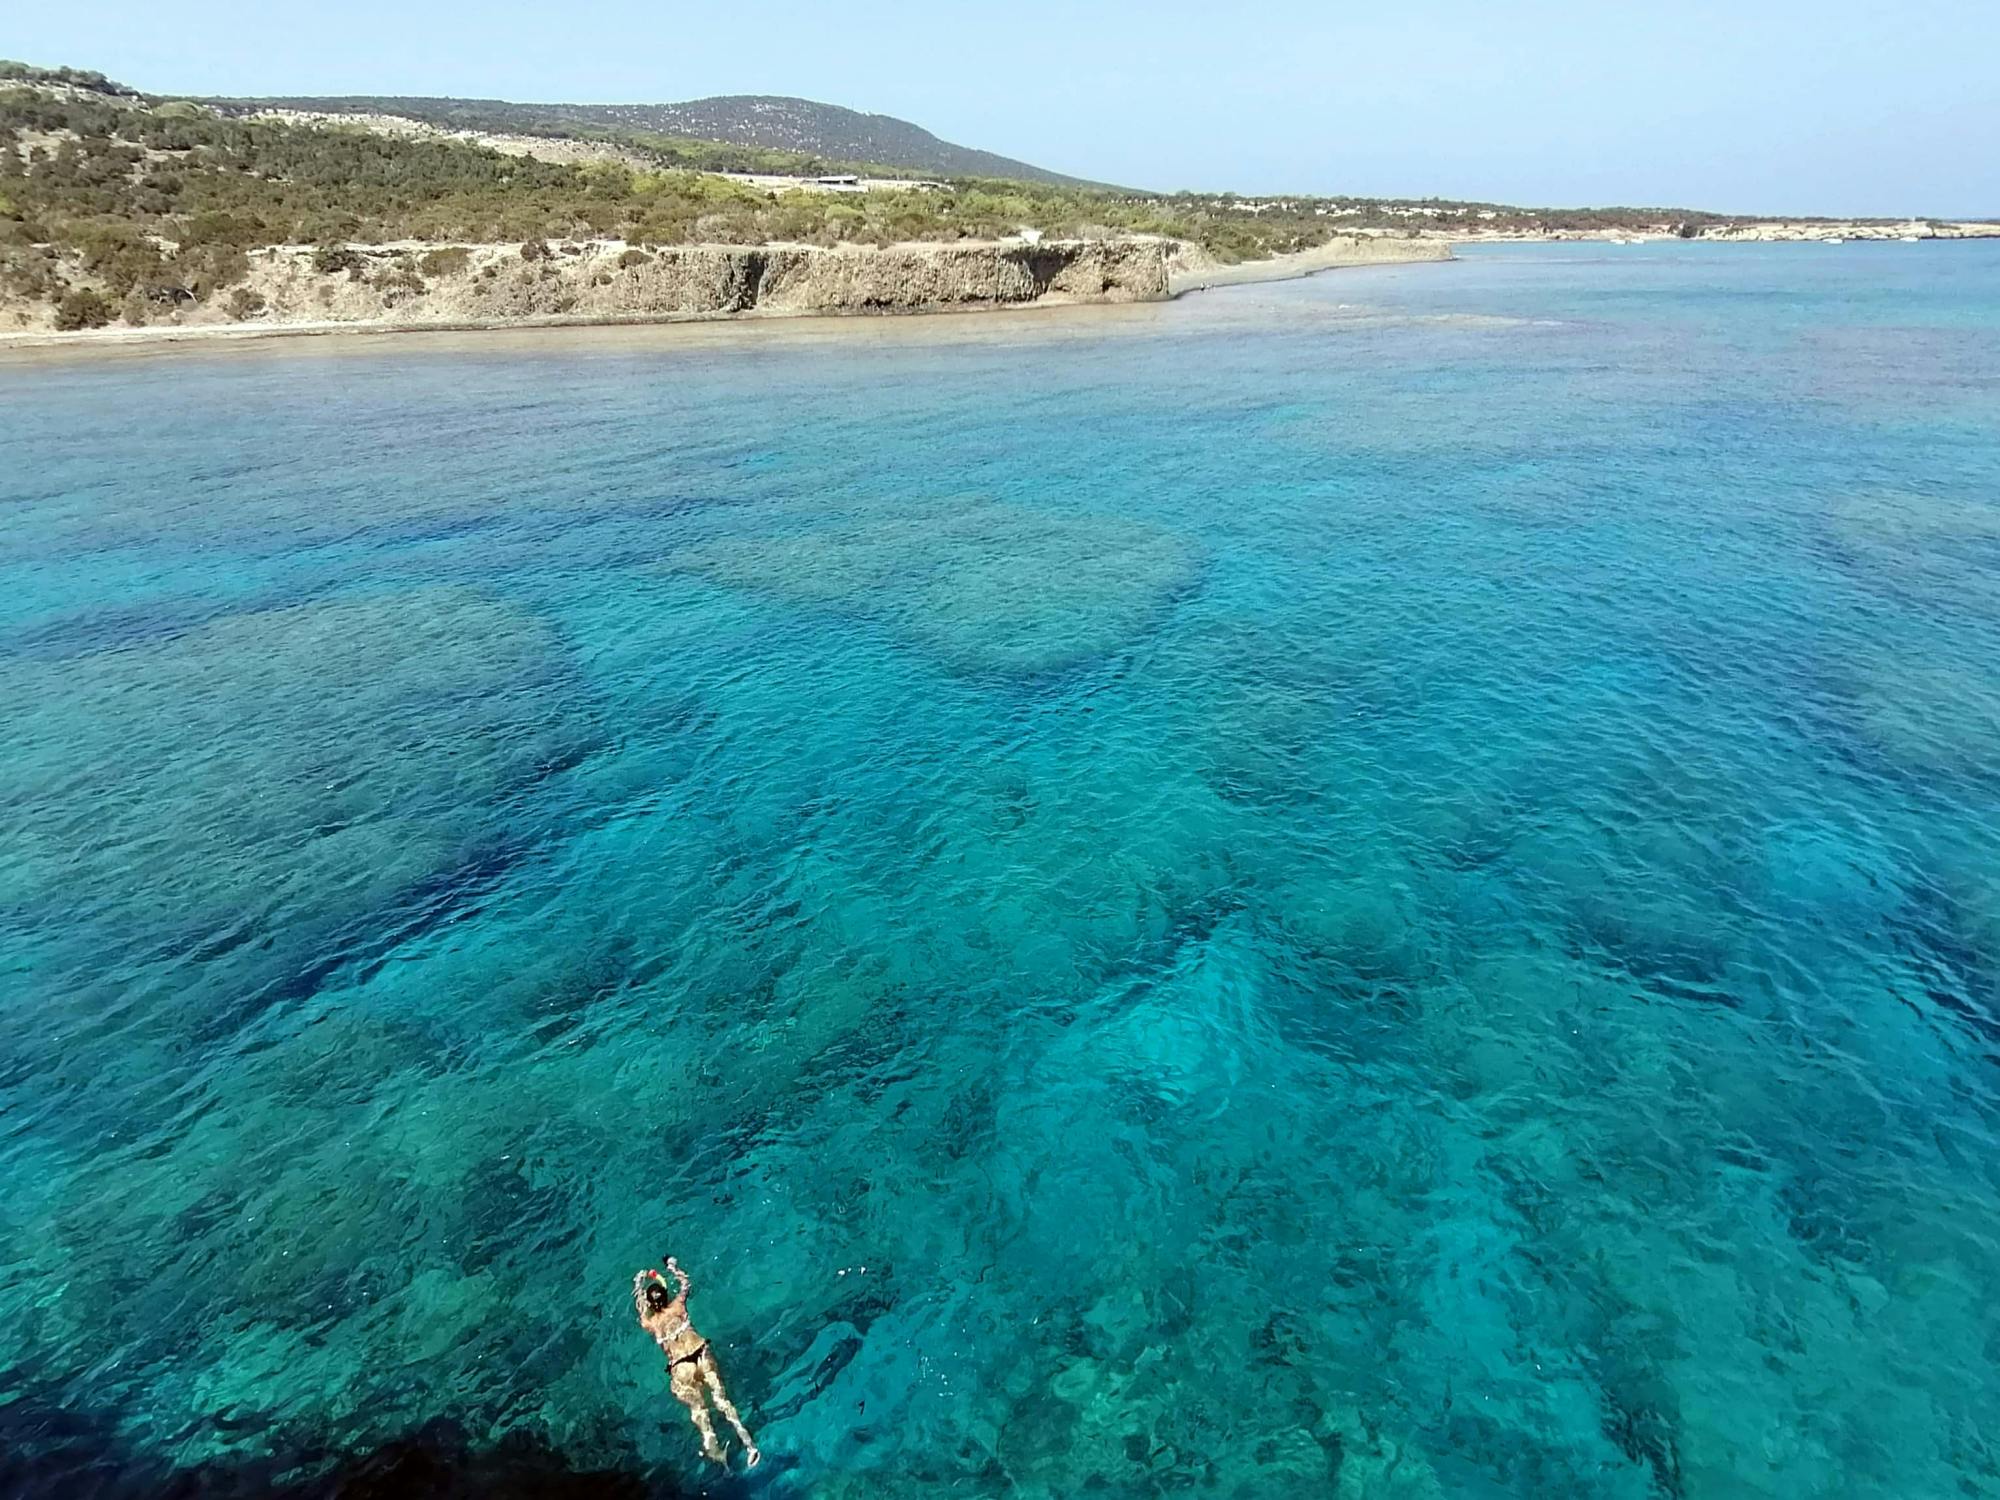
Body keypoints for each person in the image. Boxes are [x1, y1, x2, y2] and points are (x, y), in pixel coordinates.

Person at [633, 1257, 761, 1468]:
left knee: (700, 1412)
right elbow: (686, 1283)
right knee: (722, 1401)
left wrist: (638, 1284)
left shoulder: (651, 1323)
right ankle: (749, 1445)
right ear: (666, 1296)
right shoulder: (677, 1306)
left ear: (650, 1303)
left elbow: (640, 1309)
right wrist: (672, 1267)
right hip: (700, 1353)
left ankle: (719, 1456)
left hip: (681, 1366)